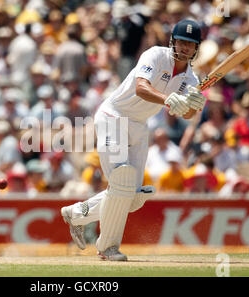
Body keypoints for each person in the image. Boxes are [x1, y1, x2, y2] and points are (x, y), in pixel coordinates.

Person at [60, 19, 207, 261]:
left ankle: (76, 213)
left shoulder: (190, 79)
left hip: (138, 126)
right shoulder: (155, 55)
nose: (184, 48)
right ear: (173, 42)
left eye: (190, 45)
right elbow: (141, 88)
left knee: (133, 196)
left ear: (196, 48)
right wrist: (170, 99)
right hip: (114, 117)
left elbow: (186, 113)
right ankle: (107, 248)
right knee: (123, 181)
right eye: (181, 42)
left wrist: (194, 105)